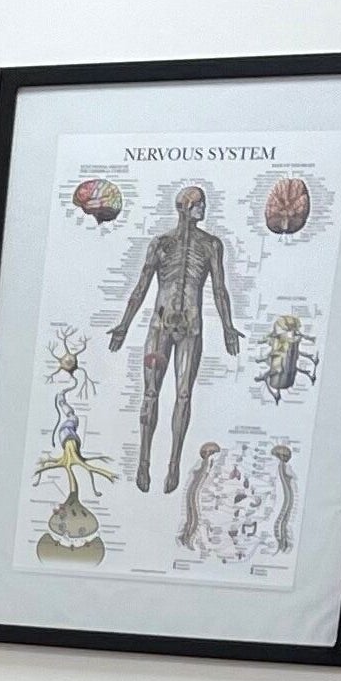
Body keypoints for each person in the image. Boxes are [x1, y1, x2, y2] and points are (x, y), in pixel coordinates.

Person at [108, 185, 241, 494]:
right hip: (160, 324)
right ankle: (143, 462)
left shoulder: (211, 245)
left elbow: (219, 289)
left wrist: (228, 327)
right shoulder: (161, 243)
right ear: (184, 207)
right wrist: (124, 325)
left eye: (203, 204)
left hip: (191, 327)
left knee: (183, 395)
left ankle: (173, 464)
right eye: (198, 205)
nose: (203, 209)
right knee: (150, 393)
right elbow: (141, 286)